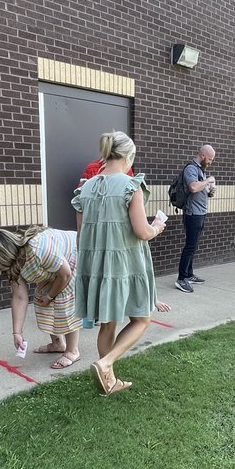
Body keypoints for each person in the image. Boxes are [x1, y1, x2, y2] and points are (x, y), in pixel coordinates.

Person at [72, 131, 167, 395]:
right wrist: (158, 225)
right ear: (128, 156)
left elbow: (82, 236)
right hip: (126, 262)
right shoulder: (130, 185)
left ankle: (109, 380)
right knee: (142, 319)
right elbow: (142, 232)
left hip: (96, 264)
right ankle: (106, 362)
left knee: (108, 323)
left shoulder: (85, 188)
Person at [0, 227, 82, 369]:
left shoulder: (37, 249)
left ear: (1, 253)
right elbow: (19, 297)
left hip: (74, 255)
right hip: (56, 270)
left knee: (63, 301)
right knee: (41, 300)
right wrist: (17, 332)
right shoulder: (13, 266)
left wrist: (50, 296)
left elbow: (65, 274)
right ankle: (58, 343)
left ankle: (72, 351)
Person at [174, 144, 216, 293]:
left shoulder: (200, 170)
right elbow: (192, 187)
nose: (211, 162)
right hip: (193, 214)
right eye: (210, 159)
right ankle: (181, 278)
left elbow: (200, 190)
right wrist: (208, 180)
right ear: (203, 155)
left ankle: (189, 274)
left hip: (200, 213)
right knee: (190, 246)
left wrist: (210, 192)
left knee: (194, 245)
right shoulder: (191, 168)